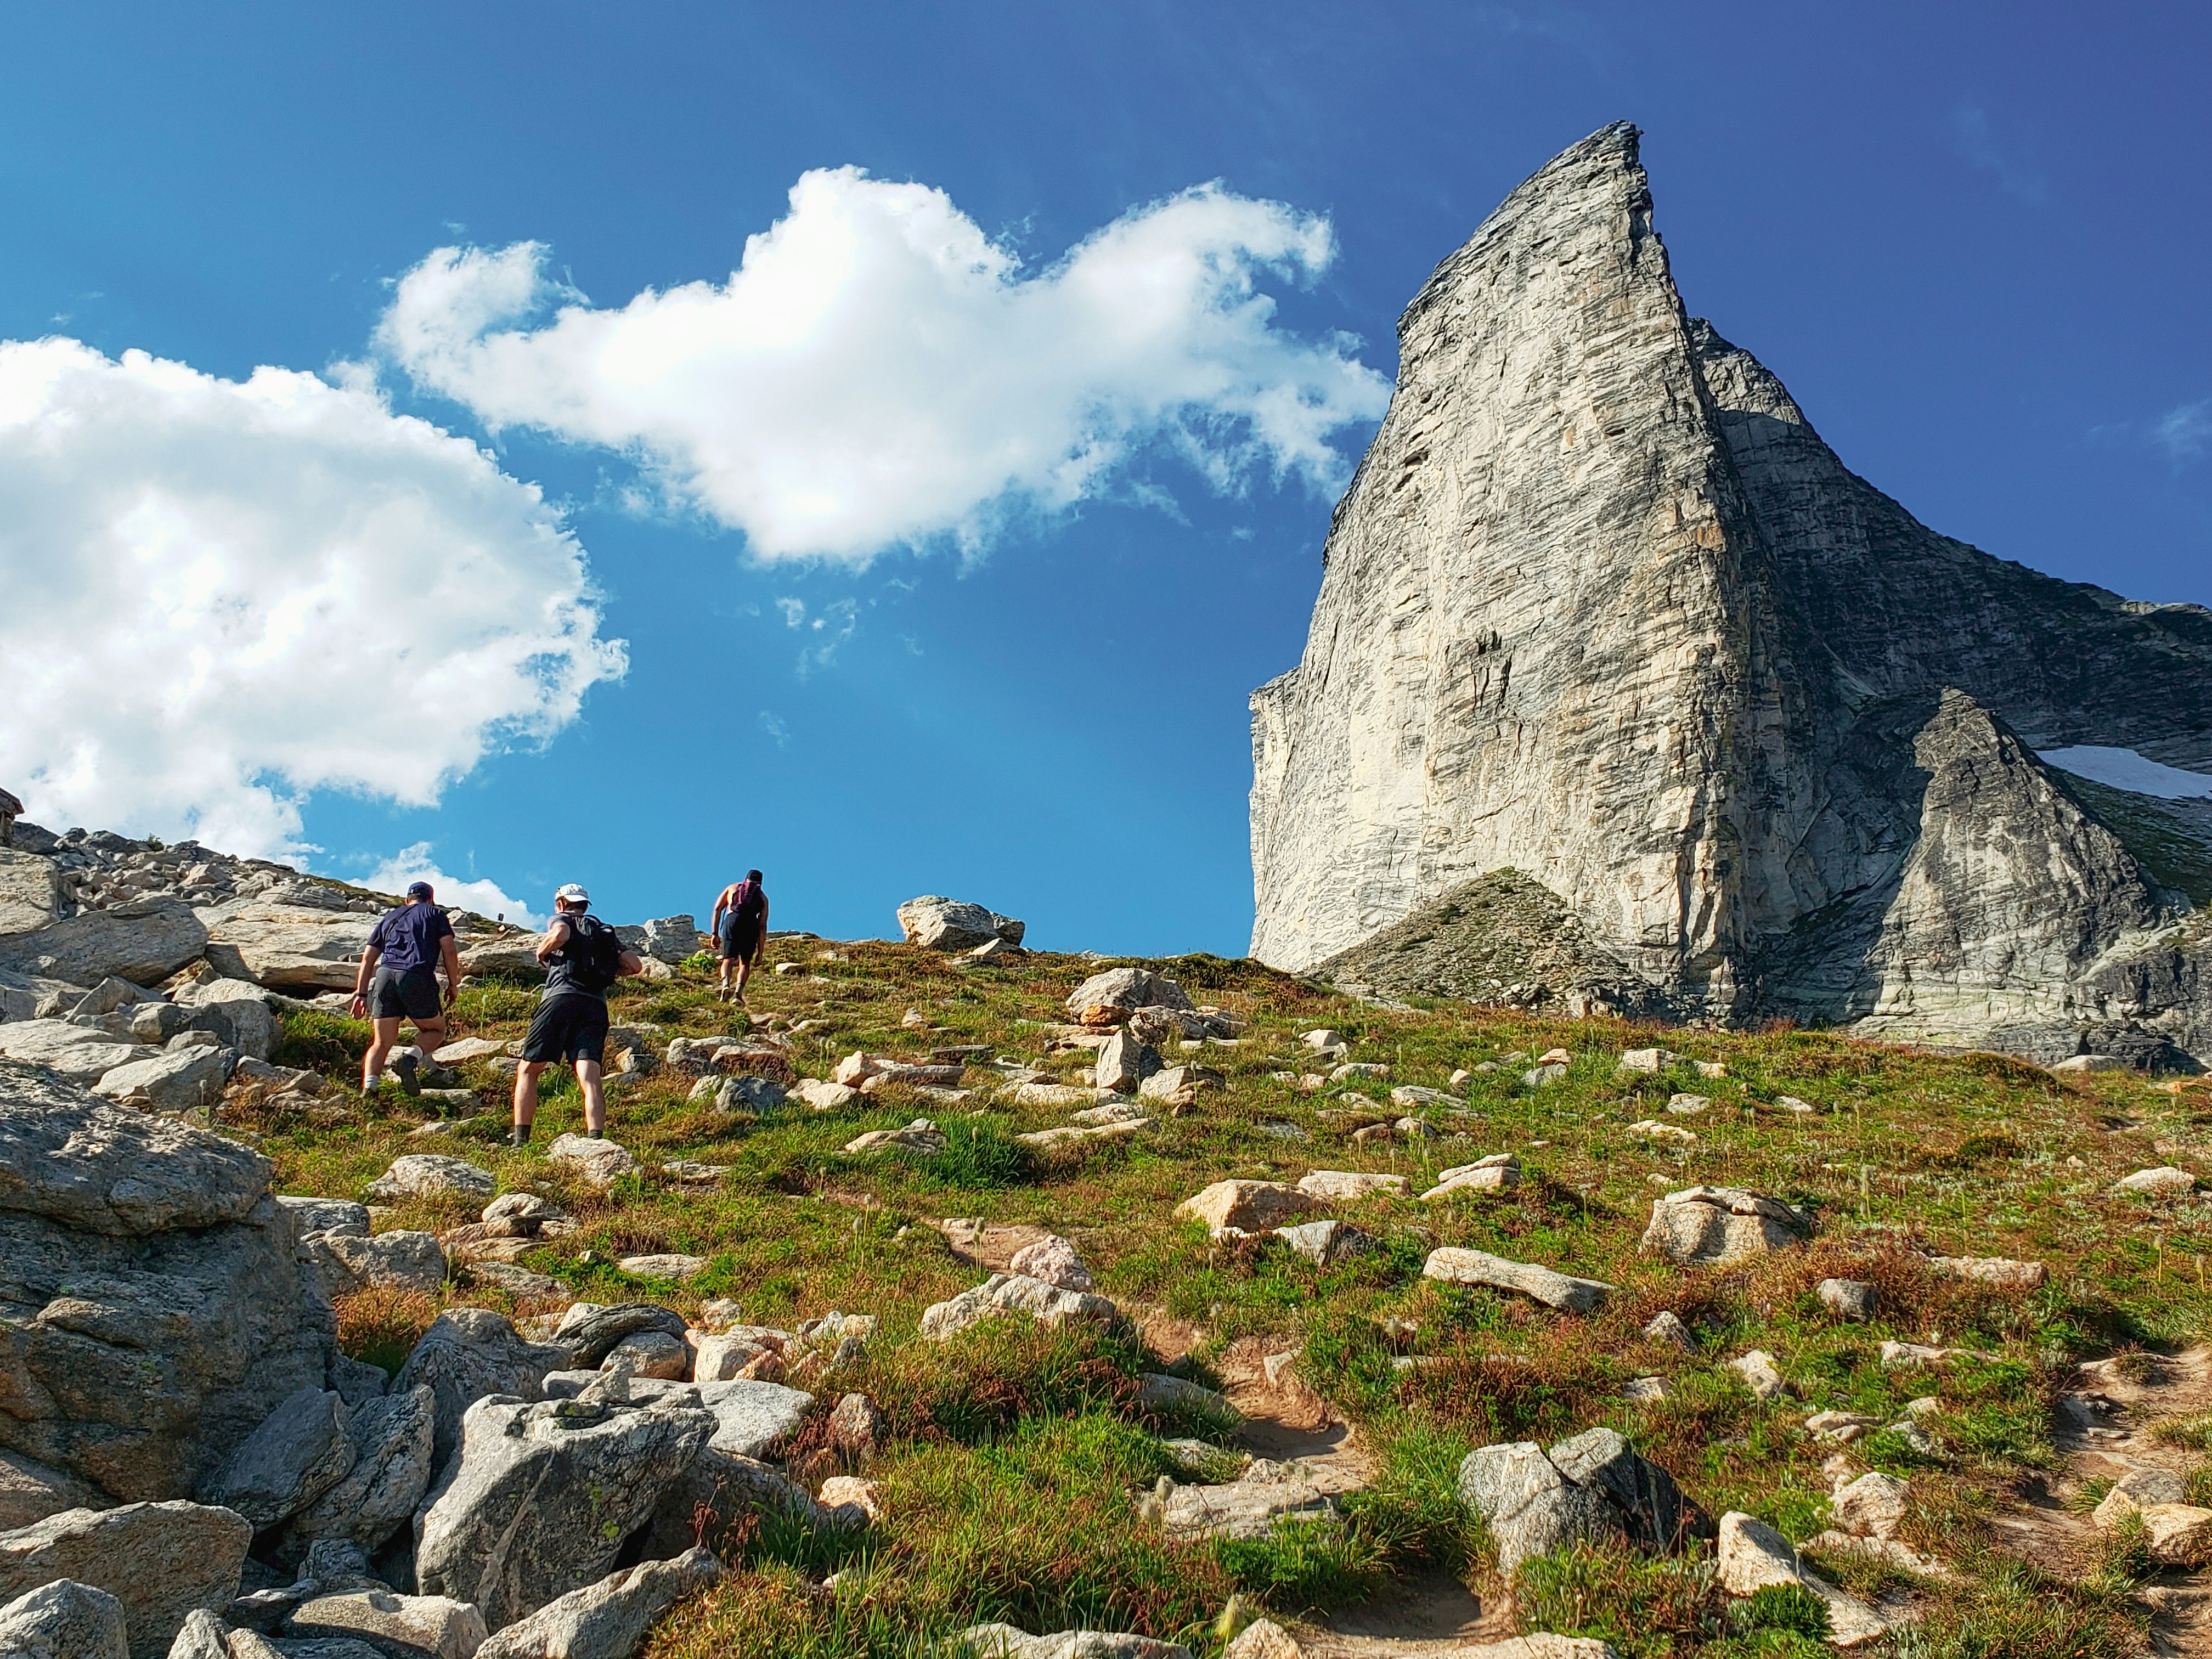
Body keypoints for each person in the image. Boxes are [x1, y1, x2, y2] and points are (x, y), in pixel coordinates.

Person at [512, 883, 642, 1148]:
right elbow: (636, 965)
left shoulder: (561, 918)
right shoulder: (603, 930)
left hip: (560, 999)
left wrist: (542, 950)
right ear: (585, 904)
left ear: (561, 903)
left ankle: (520, 1140)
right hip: (595, 1005)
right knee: (590, 1075)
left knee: (528, 1069)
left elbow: (559, 934)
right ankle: (596, 1138)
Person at [351, 881, 463, 1095]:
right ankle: (409, 1059)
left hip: (384, 977)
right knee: (435, 1030)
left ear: (407, 900)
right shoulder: (435, 914)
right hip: (416, 975)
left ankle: (370, 1089)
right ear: (431, 899)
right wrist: (453, 984)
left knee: (382, 1041)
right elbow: (449, 950)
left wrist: (361, 994)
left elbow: (368, 958)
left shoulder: (390, 917)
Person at [710, 870, 769, 1003]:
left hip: (733, 920)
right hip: (751, 924)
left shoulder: (732, 888)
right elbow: (762, 926)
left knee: (728, 959)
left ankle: (725, 985)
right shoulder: (763, 898)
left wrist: (715, 934)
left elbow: (718, 909)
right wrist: (760, 953)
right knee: (745, 963)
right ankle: (738, 993)